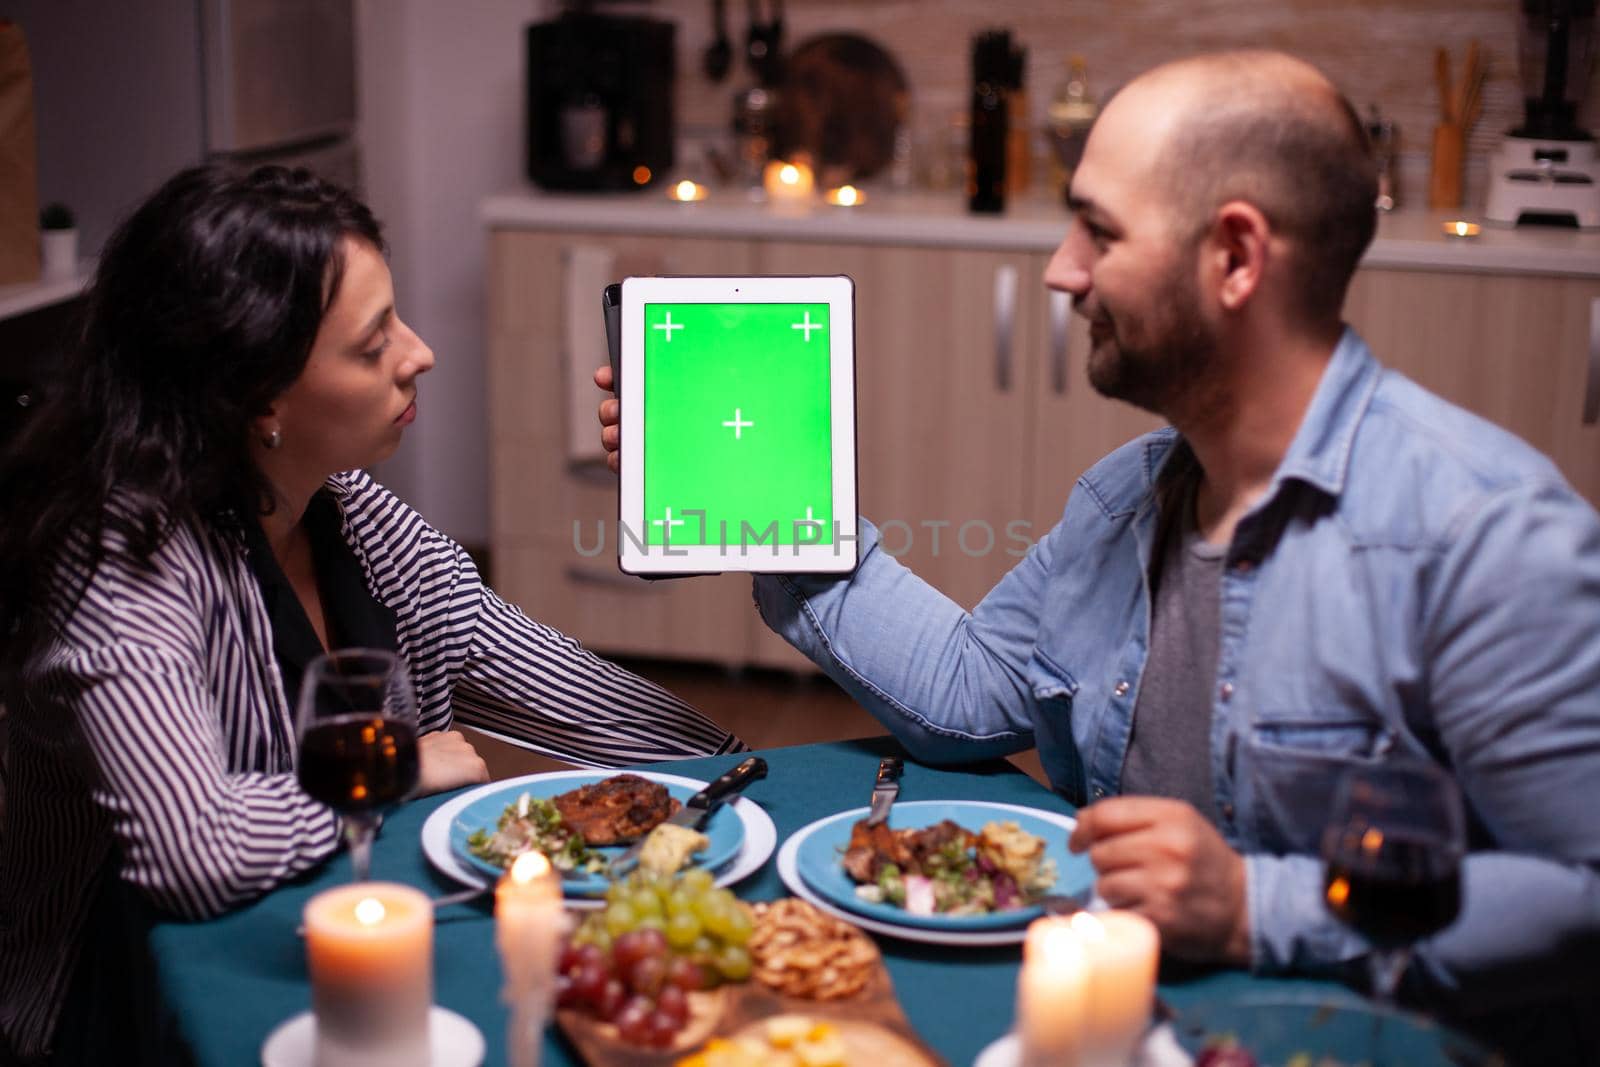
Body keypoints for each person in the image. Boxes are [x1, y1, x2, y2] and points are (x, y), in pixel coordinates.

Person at [598, 52, 1600, 1061]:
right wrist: (769, 505)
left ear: (1235, 256)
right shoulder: (1136, 486)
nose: (1060, 269)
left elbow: (1581, 887)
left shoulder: (1483, 533)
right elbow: (971, 689)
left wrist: (1257, 903)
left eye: (1100, 230)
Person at [0, 164, 744, 1064]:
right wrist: (393, 764)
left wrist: (733, 766)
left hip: (342, 933)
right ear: (258, 397)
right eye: (372, 341)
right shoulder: (123, 557)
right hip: (124, 997)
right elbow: (192, 850)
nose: (419, 351)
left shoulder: (353, 510)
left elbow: (559, 684)